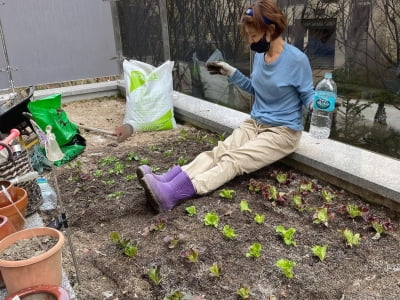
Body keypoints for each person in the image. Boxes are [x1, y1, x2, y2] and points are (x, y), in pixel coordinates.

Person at [138, 0, 315, 213]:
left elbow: (308, 96)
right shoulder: (260, 55)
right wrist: (231, 72)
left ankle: (174, 193)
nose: (250, 42)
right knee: (220, 150)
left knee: (234, 159)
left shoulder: (297, 60)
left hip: (283, 131)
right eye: (248, 36)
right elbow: (256, 88)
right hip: (256, 123)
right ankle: (169, 179)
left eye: (253, 36)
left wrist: (318, 105)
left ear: (271, 30)